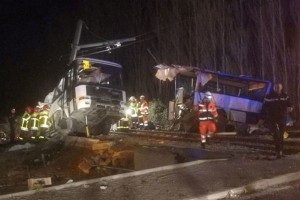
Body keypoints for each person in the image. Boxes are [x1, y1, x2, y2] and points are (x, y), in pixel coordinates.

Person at [259, 83, 293, 159]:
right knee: (276, 135)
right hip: (272, 118)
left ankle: (281, 152)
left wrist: (290, 108)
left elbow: (290, 104)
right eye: (276, 87)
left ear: (281, 88)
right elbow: (264, 108)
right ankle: (278, 152)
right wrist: (261, 118)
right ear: (274, 88)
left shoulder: (285, 96)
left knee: (281, 135)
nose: (277, 89)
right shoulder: (269, 96)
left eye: (278, 87)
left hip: (282, 117)